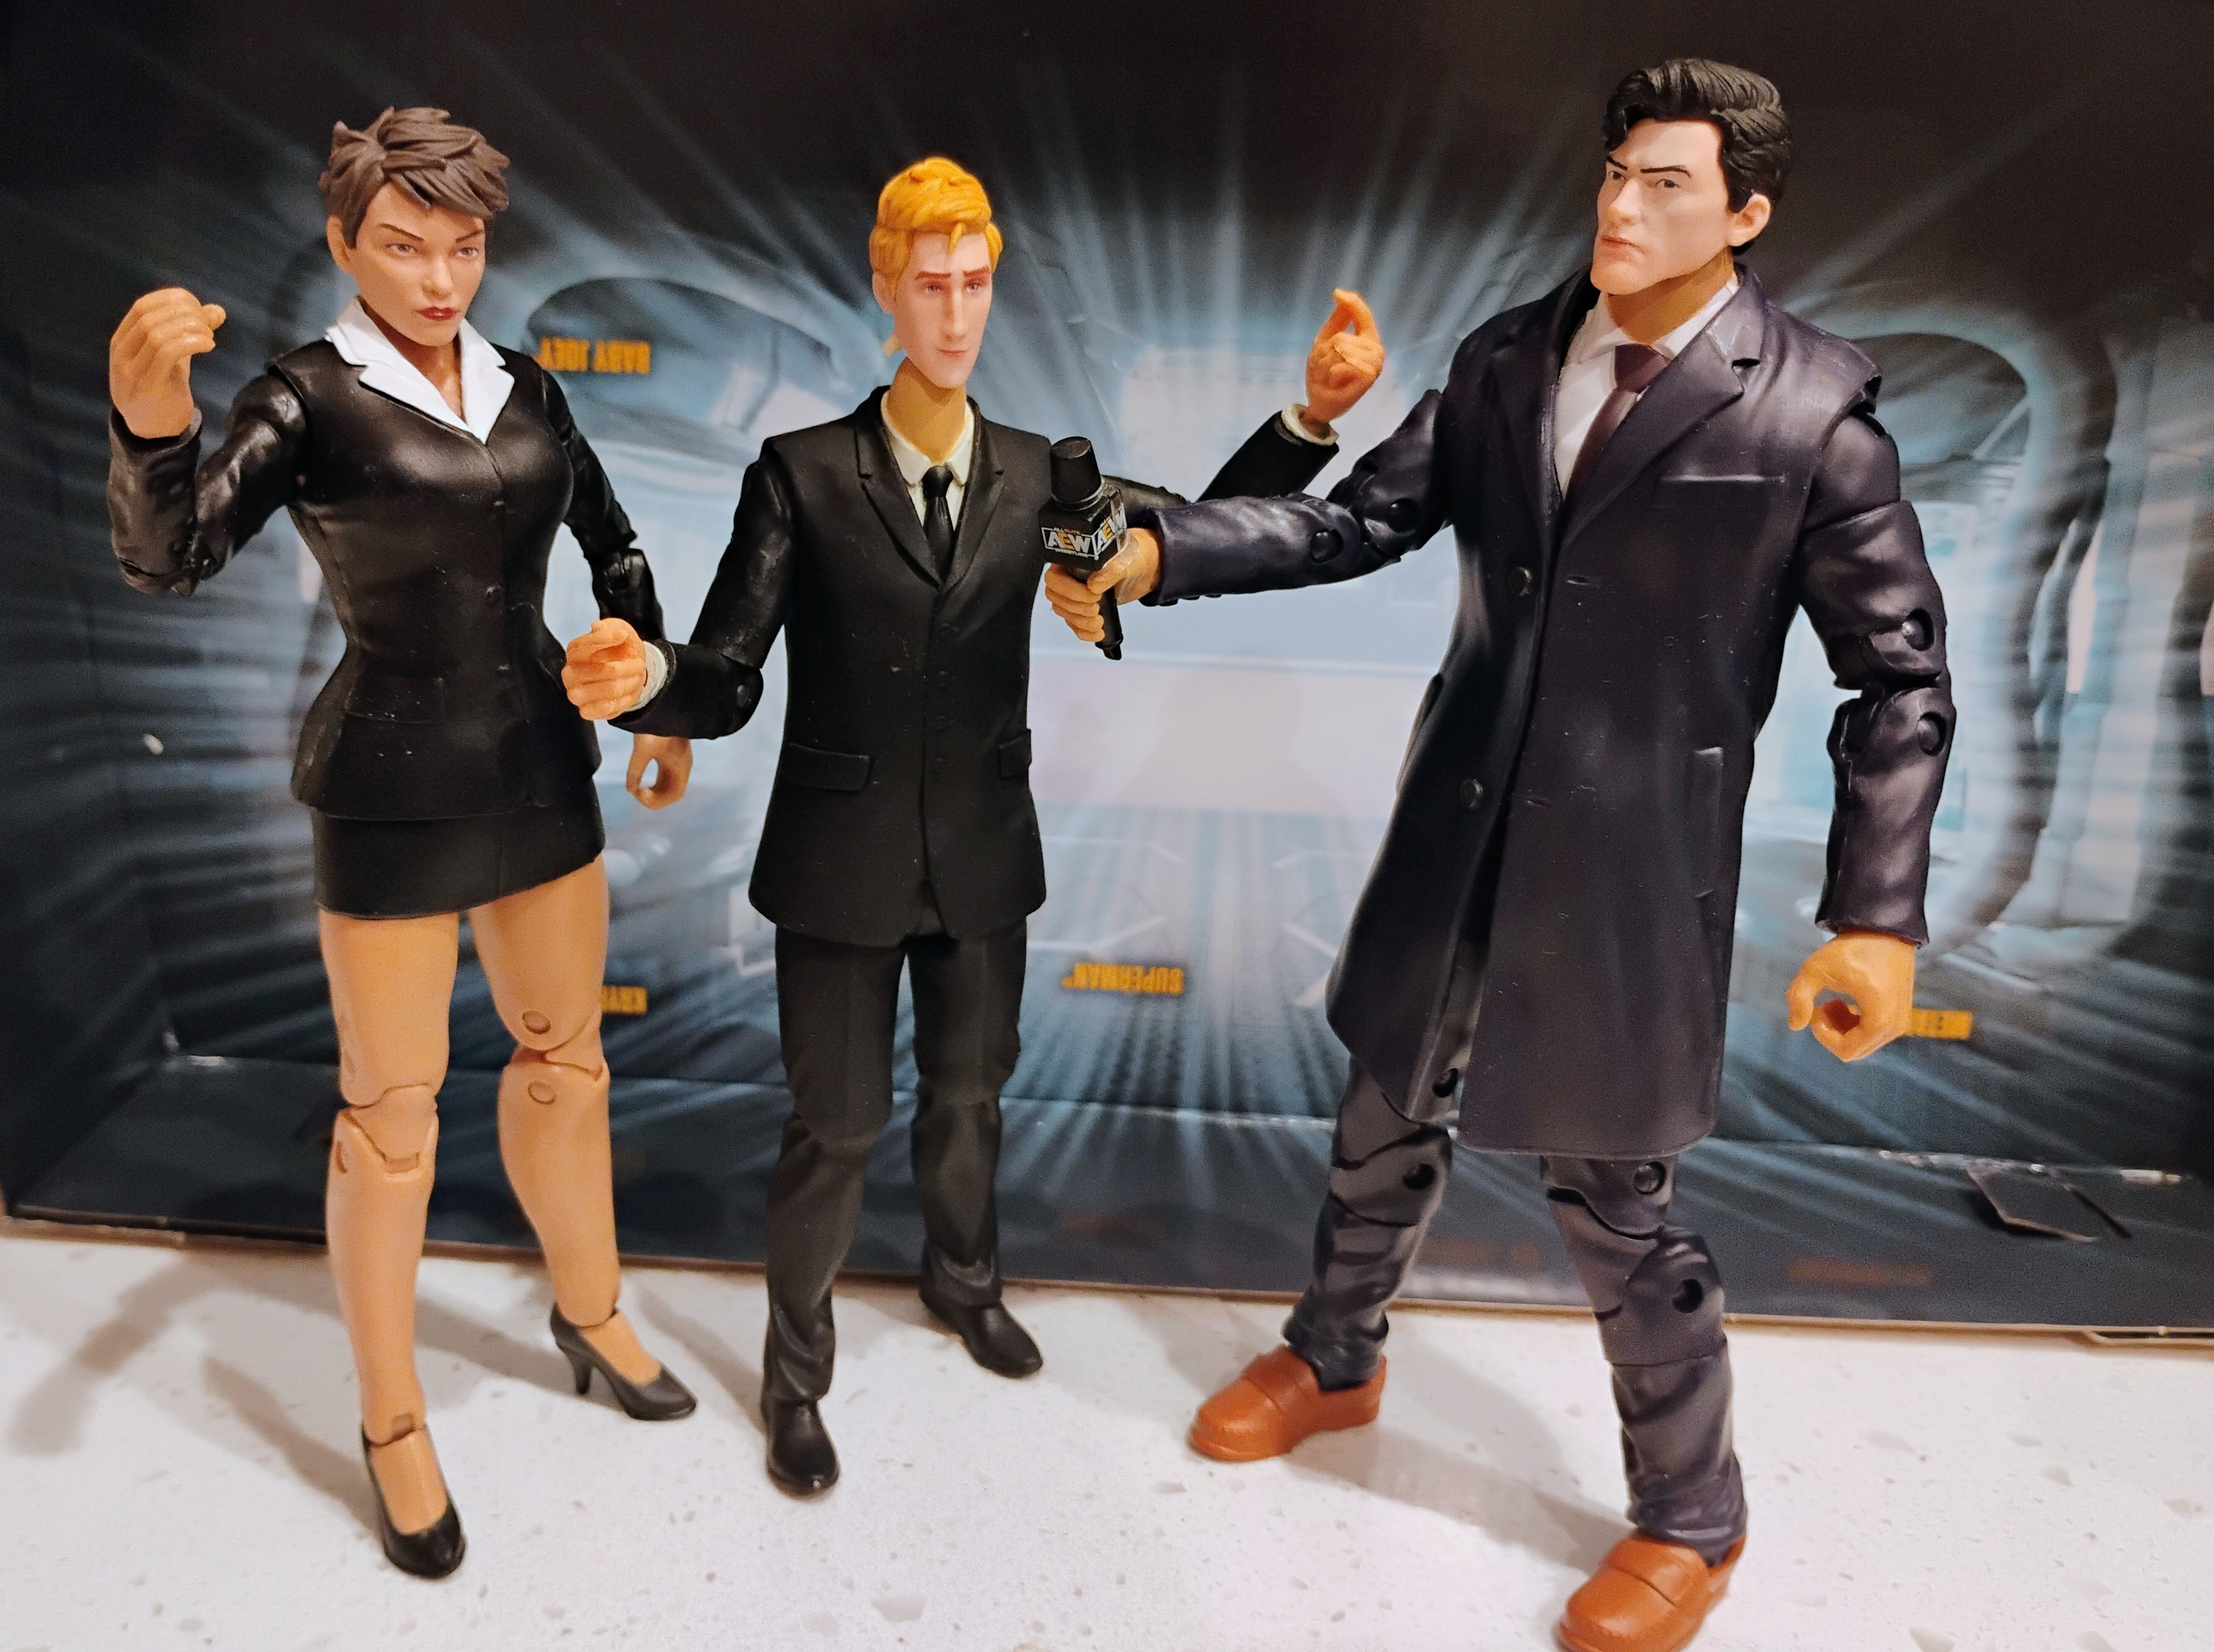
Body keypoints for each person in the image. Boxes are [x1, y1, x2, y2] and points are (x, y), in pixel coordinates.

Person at [1048, 59, 1954, 1652]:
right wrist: (1160, 544)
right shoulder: (1507, 358)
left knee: (1615, 1201)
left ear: (1743, 214)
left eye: (1666, 184)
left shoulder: (1810, 408)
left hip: (1625, 873)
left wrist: (1874, 916)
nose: (1622, 207)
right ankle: (1335, 1355)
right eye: (1614, 173)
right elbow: (1354, 524)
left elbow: (1898, 679)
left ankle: (1692, 1513)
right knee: (1382, 1110)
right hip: (1456, 825)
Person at [560, 156, 1383, 1496]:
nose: (955, 312)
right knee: (834, 1127)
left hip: (985, 852)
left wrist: (1309, 420)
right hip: (837, 860)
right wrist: (650, 678)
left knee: (967, 1098)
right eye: (931, 285)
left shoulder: (1039, 475)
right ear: (887, 291)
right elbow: (730, 669)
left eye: (975, 284)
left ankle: (965, 1279)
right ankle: (794, 1375)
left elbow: (1187, 532)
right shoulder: (801, 474)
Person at [105, 106, 697, 1579]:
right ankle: (390, 1420)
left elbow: (614, 539)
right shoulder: (306, 398)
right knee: (390, 1119)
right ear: (344, 243)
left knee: (567, 1061)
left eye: (465, 247)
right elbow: (174, 555)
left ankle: (592, 1306)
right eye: (404, 246)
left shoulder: (523, 384)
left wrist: (644, 674)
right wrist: (151, 424)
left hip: (540, 764)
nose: (440, 279)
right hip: (385, 780)